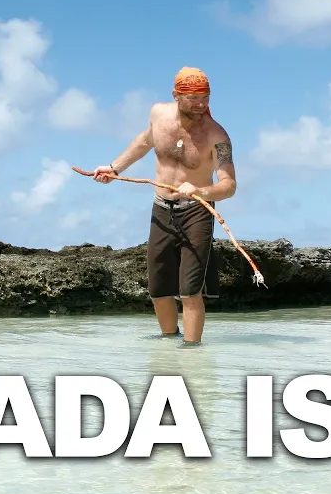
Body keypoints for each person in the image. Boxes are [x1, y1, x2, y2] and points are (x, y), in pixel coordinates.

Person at [92, 66, 237, 346]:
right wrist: (114, 168)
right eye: (193, 98)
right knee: (158, 288)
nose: (201, 104)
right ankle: (169, 344)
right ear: (176, 95)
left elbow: (229, 185)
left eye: (205, 97)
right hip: (161, 208)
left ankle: (192, 352)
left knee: (190, 289)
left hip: (196, 211)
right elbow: (145, 141)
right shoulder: (158, 114)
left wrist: (200, 190)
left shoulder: (217, 136)